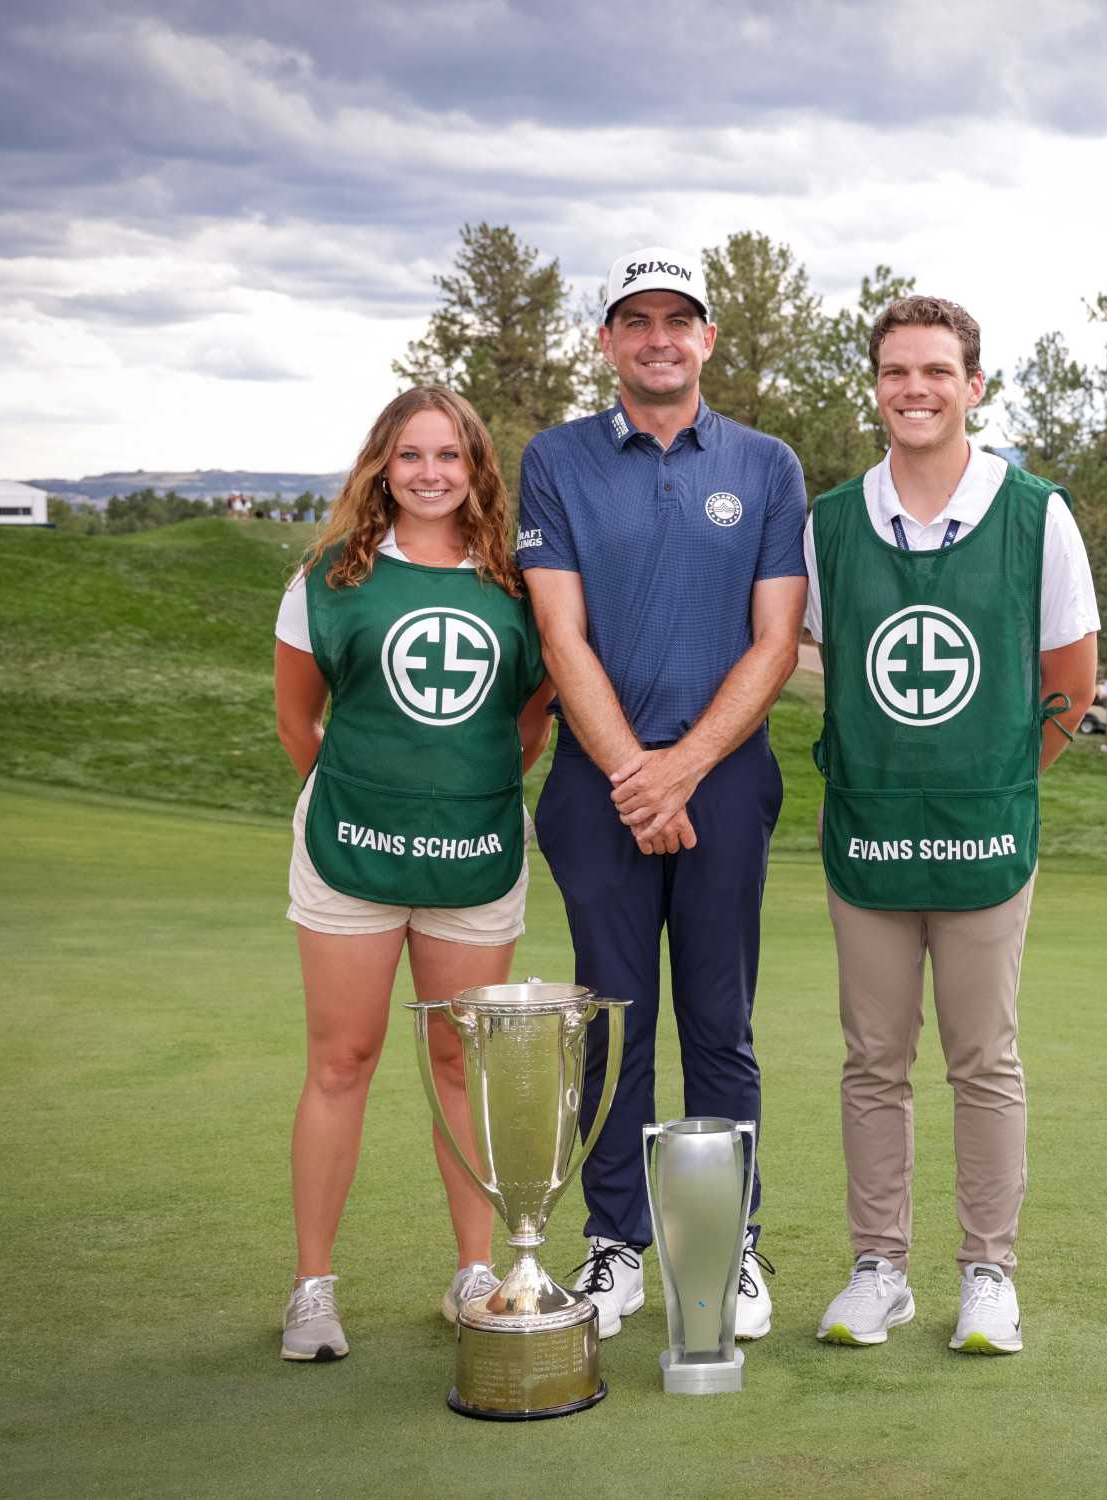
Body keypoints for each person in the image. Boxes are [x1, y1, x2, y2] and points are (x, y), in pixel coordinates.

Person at [519, 246, 806, 1342]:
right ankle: (613, 1248)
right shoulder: (557, 459)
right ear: (607, 341)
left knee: (720, 1022)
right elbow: (561, 632)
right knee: (611, 1023)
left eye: (677, 319)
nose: (657, 337)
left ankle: (727, 1243)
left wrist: (678, 772)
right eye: (634, 320)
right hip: (597, 791)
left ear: (708, 339)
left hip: (724, 786)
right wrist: (637, 779)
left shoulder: (767, 464)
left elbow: (776, 642)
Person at [804, 295, 1099, 1355]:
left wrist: (997, 781)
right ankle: (879, 1269)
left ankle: (988, 1273)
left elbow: (1071, 680)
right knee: (872, 1060)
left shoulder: (1035, 514)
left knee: (986, 1061)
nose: (915, 389)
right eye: (896, 372)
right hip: (869, 836)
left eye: (937, 371)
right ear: (875, 388)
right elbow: (820, 660)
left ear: (975, 385)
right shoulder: (832, 521)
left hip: (986, 839)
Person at [272, 386, 554, 1361]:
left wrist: (459, 794)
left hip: (475, 856)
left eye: (450, 455)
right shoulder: (328, 580)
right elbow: (297, 721)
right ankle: (313, 1290)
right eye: (410, 456)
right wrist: (372, 798)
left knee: (460, 1066)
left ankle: (476, 1271)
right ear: (380, 467)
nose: (430, 473)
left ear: (478, 468)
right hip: (350, 855)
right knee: (340, 1061)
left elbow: (530, 717)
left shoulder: (518, 584)